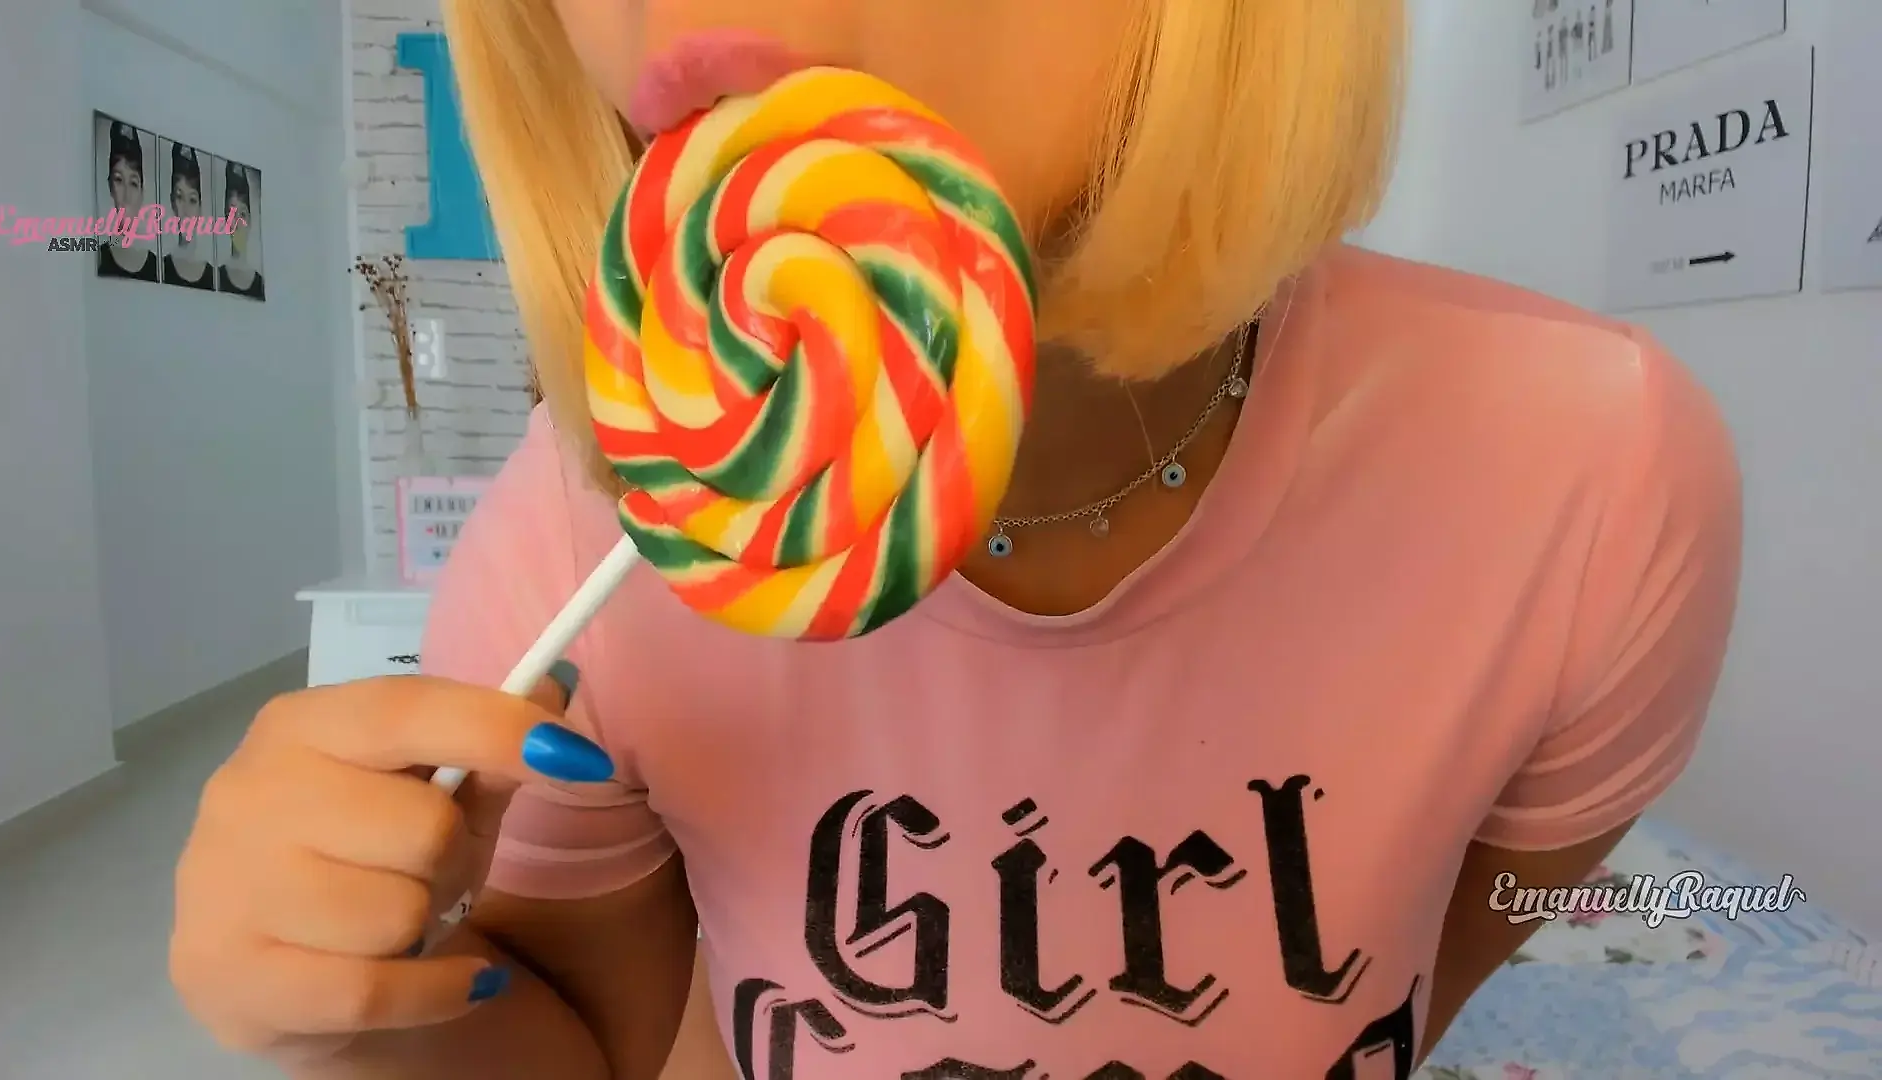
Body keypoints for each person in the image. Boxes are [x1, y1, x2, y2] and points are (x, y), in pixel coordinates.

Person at [168, 2, 1744, 1078]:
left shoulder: (1587, 475)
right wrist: (362, 1012)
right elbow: (586, 1038)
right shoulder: (595, 545)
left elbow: (1447, 954)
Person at [96, 120, 158, 283]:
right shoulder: (98, 258)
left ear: (142, 191)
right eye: (119, 180)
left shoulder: (157, 267)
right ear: (110, 186)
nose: (127, 195)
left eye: (133, 183)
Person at [162, 142, 216, 291]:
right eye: (180, 197)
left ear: (200, 207)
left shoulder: (214, 276)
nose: (185, 211)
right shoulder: (161, 268)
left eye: (192, 200)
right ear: (172, 202)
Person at [218, 160, 265, 299]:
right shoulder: (216, 277)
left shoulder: (261, 283)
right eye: (232, 215)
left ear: (250, 220)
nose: (238, 222)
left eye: (243, 214)